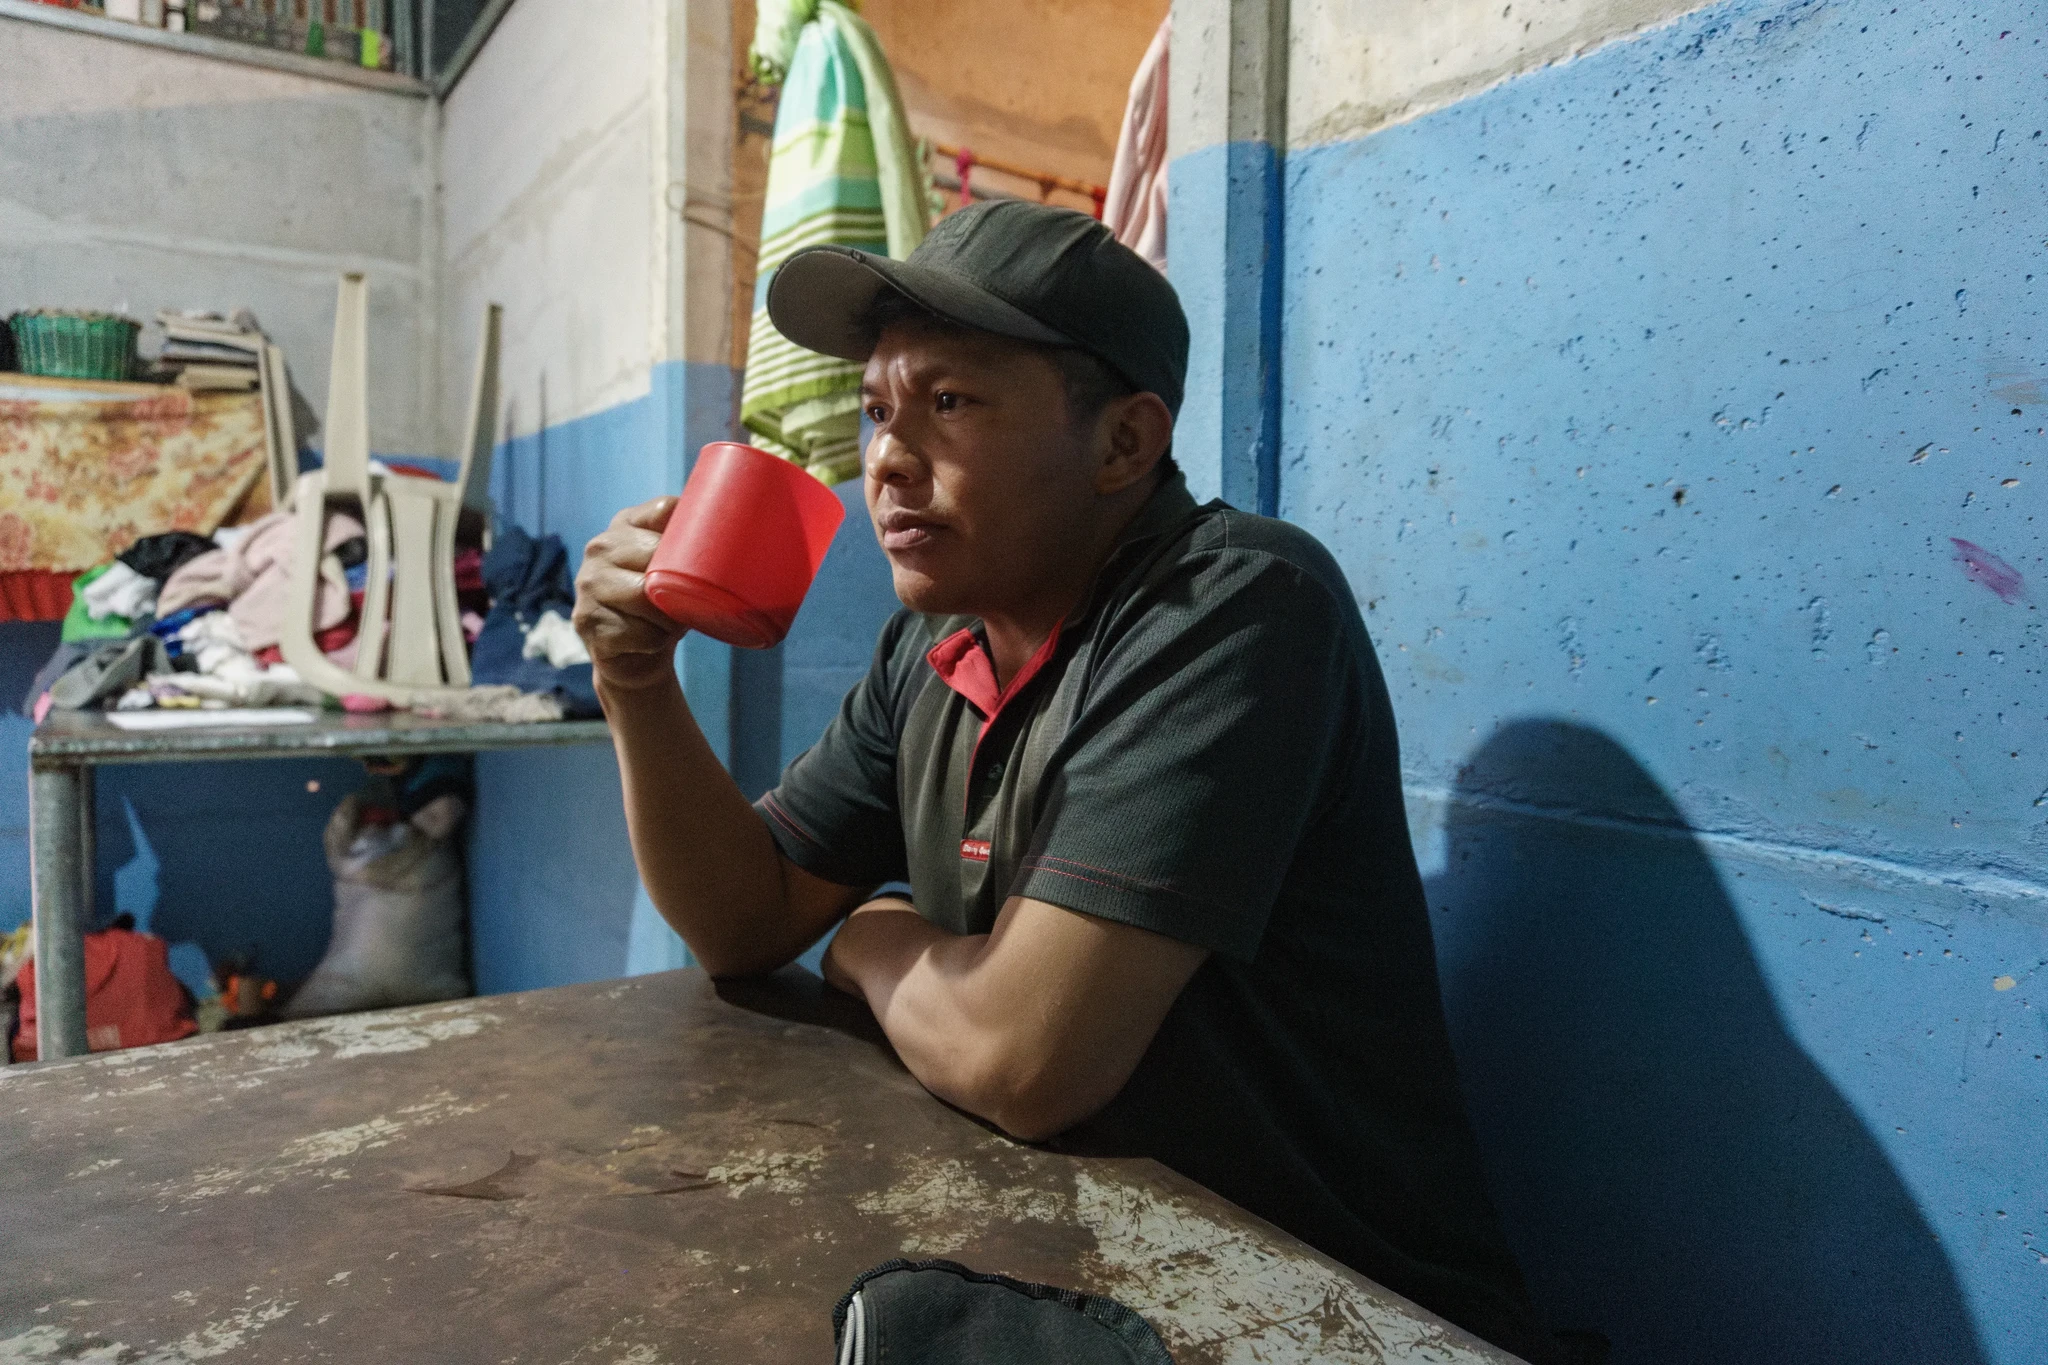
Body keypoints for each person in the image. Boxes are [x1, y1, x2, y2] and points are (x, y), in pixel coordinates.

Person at [572, 201, 1567, 1362]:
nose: (886, 460)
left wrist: (864, 939)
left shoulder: (1235, 608)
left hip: (1329, 1305)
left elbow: (1021, 1059)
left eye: (948, 404)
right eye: (874, 409)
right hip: (1095, 1262)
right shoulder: (933, 647)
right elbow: (742, 921)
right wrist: (635, 681)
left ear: (1122, 445)